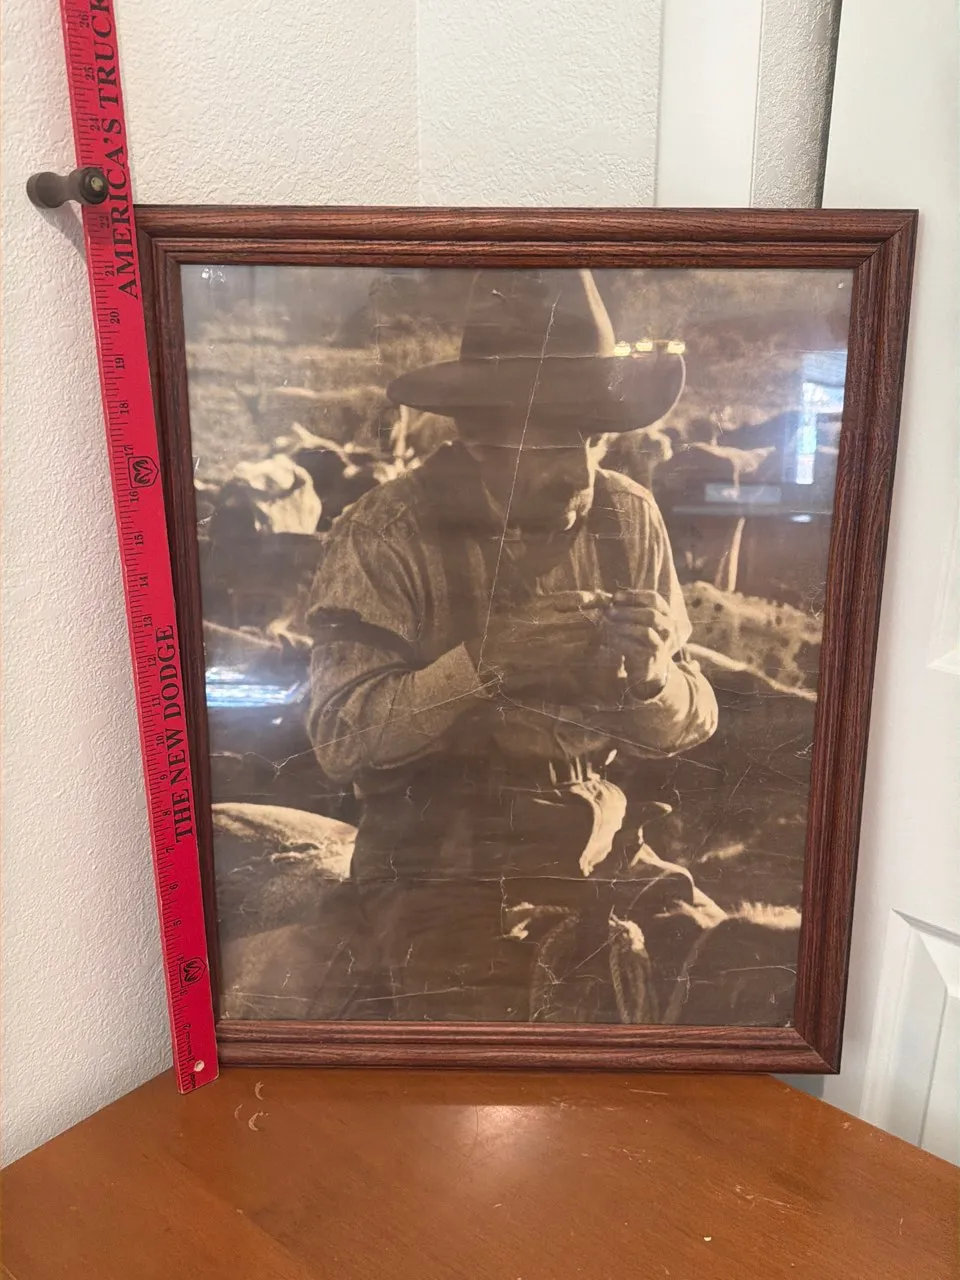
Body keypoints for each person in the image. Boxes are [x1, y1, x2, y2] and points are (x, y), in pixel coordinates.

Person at [305, 269, 723, 1023]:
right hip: (437, 864)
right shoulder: (386, 531)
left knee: (726, 977)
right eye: (554, 440)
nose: (580, 470)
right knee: (488, 1027)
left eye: (592, 438)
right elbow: (340, 737)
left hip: (603, 845)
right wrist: (486, 666)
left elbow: (696, 716)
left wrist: (654, 680)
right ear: (477, 438)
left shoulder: (629, 516)